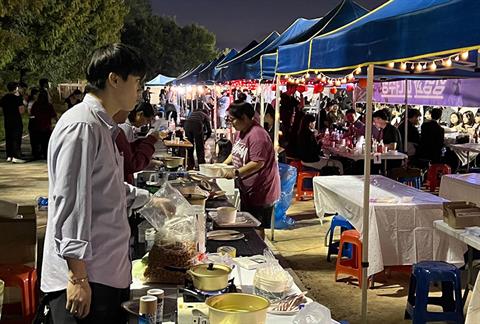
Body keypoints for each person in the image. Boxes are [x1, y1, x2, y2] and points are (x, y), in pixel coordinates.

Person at [41, 43, 154, 323]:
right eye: (137, 82)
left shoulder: (102, 127)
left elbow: (105, 189)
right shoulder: (83, 126)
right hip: (88, 278)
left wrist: (151, 200)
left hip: (105, 273)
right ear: (114, 79)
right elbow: (72, 201)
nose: (140, 91)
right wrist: (77, 277)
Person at [223, 101, 280, 238]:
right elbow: (235, 152)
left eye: (233, 119)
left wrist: (236, 172)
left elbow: (257, 163)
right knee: (248, 220)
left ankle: (260, 253)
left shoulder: (258, 135)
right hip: (247, 186)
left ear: (244, 117)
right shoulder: (241, 131)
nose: (231, 123)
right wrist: (222, 165)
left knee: (257, 224)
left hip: (261, 189)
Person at [113, 110, 160, 184]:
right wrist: (150, 141)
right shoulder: (122, 128)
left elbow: (128, 149)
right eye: (147, 120)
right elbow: (132, 163)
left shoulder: (115, 129)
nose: (129, 112)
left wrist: (142, 142)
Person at [0, 82, 26, 163]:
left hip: (7, 120)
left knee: (9, 137)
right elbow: (21, 110)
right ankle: (16, 156)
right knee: (16, 137)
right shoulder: (17, 98)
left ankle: (9, 155)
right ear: (16, 88)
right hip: (16, 120)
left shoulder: (4, 98)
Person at [30, 90, 57, 159]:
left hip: (37, 126)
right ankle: (45, 154)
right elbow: (54, 115)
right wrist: (58, 121)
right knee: (45, 142)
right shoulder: (49, 105)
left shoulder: (35, 104)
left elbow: (32, 114)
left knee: (37, 142)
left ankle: (37, 154)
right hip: (46, 126)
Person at [184, 103, 212, 169]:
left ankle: (190, 165)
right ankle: (201, 165)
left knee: (190, 145)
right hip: (197, 124)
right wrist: (205, 139)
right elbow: (209, 130)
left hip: (187, 124)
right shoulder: (205, 115)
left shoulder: (193, 113)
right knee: (199, 146)